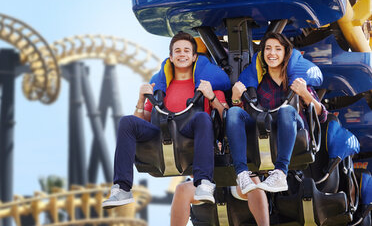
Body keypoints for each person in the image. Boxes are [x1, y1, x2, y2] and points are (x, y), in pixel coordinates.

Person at [102, 32, 229, 209]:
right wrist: (140, 101)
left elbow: (226, 117)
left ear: (194, 57)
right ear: (171, 57)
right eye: (177, 51)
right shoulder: (159, 88)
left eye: (186, 51)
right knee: (127, 121)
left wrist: (212, 97)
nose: (182, 54)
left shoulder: (207, 85)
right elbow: (142, 121)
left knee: (202, 117)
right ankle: (122, 188)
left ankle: (203, 183)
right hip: (161, 136)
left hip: (190, 135)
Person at [226, 32, 328, 194]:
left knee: (286, 110)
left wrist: (304, 94)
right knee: (233, 112)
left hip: (294, 132)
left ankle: (280, 172)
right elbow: (241, 117)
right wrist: (236, 99)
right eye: (268, 49)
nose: (272, 53)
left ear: (285, 53)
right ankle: (242, 174)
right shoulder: (257, 84)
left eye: (277, 49)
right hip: (261, 131)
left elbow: (322, 115)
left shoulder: (297, 80)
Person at [170, 174, 270, 226]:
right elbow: (192, 172)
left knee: (252, 181)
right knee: (182, 190)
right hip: (207, 185)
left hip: (237, 182)